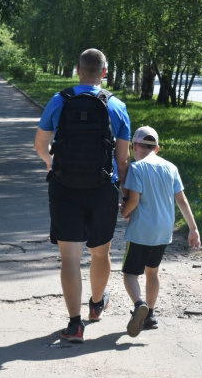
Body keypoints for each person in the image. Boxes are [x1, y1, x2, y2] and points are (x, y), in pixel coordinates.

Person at [34, 48, 132, 343]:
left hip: (64, 188)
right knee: (100, 252)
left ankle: (75, 324)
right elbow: (123, 158)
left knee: (70, 258)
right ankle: (96, 304)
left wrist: (54, 165)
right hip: (103, 188)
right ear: (104, 72)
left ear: (78, 70)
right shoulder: (116, 106)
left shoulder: (59, 100)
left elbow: (40, 144)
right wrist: (125, 192)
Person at [119, 126, 201, 337]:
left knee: (130, 274)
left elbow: (134, 200)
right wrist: (193, 228)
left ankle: (139, 305)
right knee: (152, 271)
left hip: (141, 230)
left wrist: (123, 211)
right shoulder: (171, 168)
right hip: (164, 231)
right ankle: (151, 315)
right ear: (157, 148)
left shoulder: (137, 169)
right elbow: (181, 200)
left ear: (135, 147)